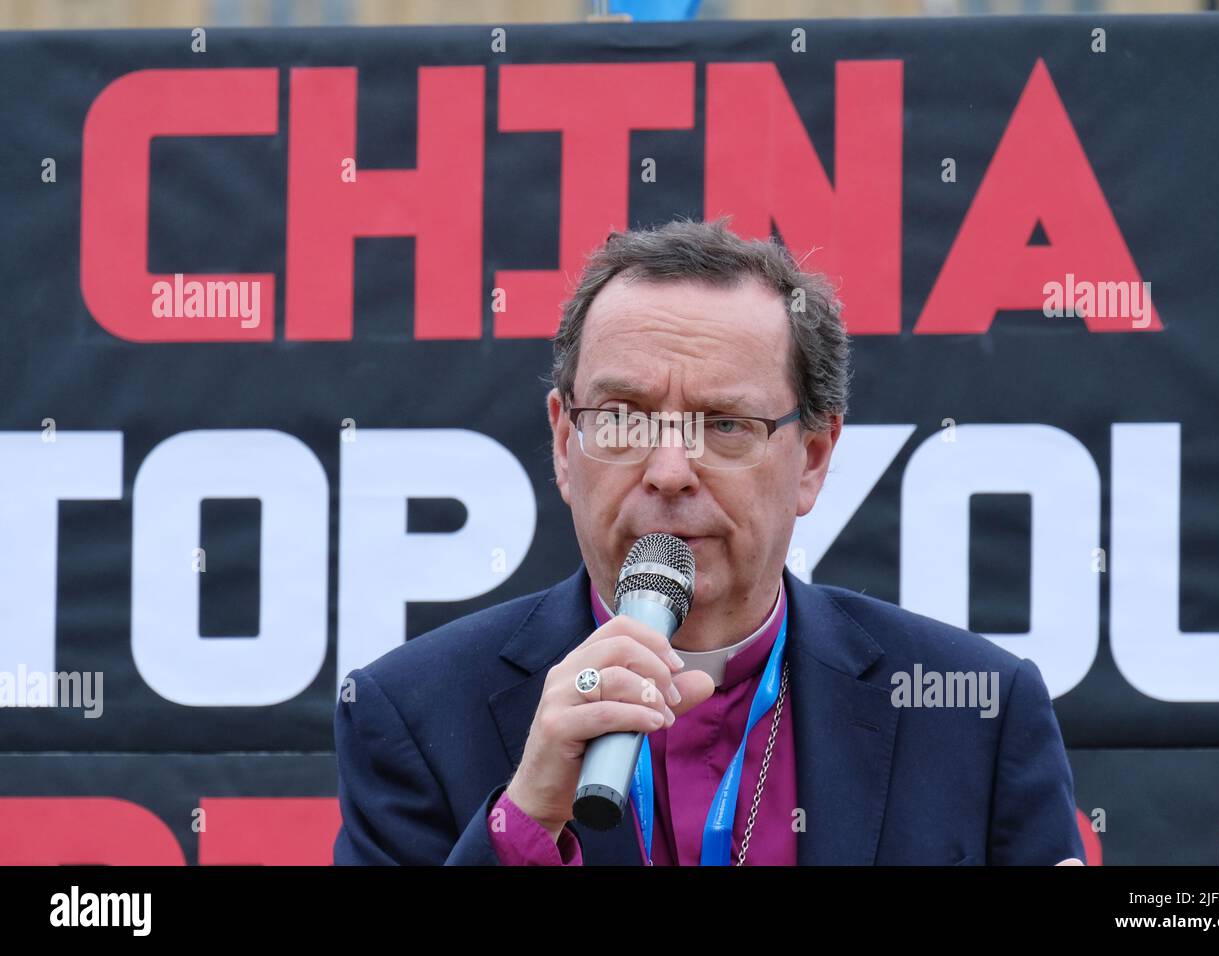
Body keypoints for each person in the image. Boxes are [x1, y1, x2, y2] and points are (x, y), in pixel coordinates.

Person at [332, 218, 1086, 866]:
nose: (668, 472)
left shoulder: (973, 711)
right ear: (566, 443)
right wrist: (526, 822)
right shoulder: (412, 715)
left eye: (725, 425)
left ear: (813, 458)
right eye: (624, 417)